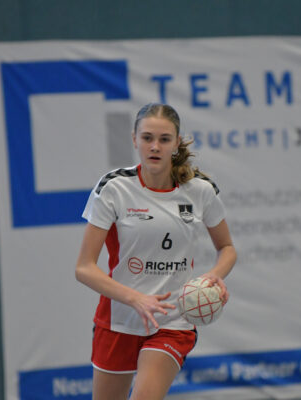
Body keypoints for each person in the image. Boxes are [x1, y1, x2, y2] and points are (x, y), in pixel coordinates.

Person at [75, 103, 237, 400]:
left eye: (164, 139)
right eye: (147, 138)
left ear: (176, 143)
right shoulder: (114, 188)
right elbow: (84, 268)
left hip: (172, 319)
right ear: (134, 139)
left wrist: (214, 276)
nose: (155, 146)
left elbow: (226, 248)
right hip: (119, 319)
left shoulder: (200, 190)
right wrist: (135, 298)